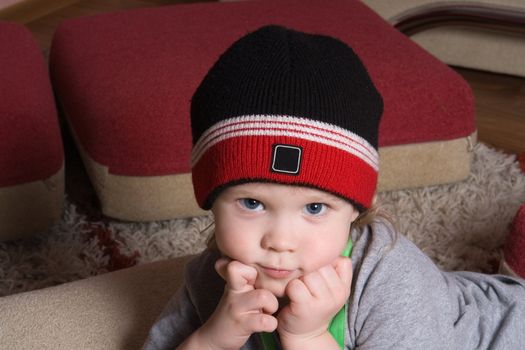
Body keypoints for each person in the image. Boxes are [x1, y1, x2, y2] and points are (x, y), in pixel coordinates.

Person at [143, 25, 525, 350]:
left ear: (358, 207)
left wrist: (308, 336)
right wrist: (213, 337)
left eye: (314, 208)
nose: (280, 241)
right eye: (252, 202)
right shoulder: (211, 278)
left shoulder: (388, 276)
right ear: (209, 196)